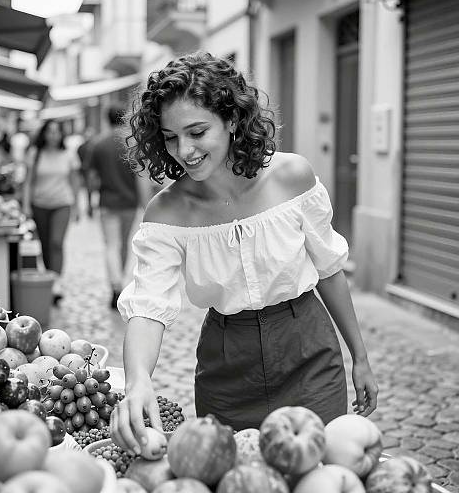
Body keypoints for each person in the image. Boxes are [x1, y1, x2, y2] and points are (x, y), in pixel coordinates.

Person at [111, 51, 378, 455]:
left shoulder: (292, 177)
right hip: (226, 366)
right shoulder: (166, 212)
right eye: (169, 137)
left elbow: (329, 269)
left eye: (197, 132)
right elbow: (148, 307)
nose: (184, 150)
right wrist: (138, 382)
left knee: (321, 470)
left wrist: (359, 356)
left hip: (308, 350)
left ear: (233, 120)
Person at [88, 105, 149, 309]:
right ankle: (119, 283)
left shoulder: (99, 145)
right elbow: (141, 178)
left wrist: (89, 201)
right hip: (129, 203)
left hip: (107, 203)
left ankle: (115, 284)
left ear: (107, 119)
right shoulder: (132, 144)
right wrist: (145, 205)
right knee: (123, 245)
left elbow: (92, 178)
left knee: (111, 246)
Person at [22, 119, 81, 305]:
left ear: (61, 134)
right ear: (44, 134)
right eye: (50, 131)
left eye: (57, 131)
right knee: (45, 245)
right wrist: (26, 205)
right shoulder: (35, 153)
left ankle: (56, 282)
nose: (53, 135)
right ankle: (50, 276)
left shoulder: (68, 154)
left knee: (56, 243)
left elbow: (75, 182)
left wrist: (77, 206)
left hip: (62, 204)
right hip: (39, 204)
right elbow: (28, 182)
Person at [76, 126, 97, 217]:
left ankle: (91, 206)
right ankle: (90, 206)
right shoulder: (83, 147)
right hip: (87, 171)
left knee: (90, 190)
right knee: (89, 190)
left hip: (89, 171)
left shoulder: (94, 146)